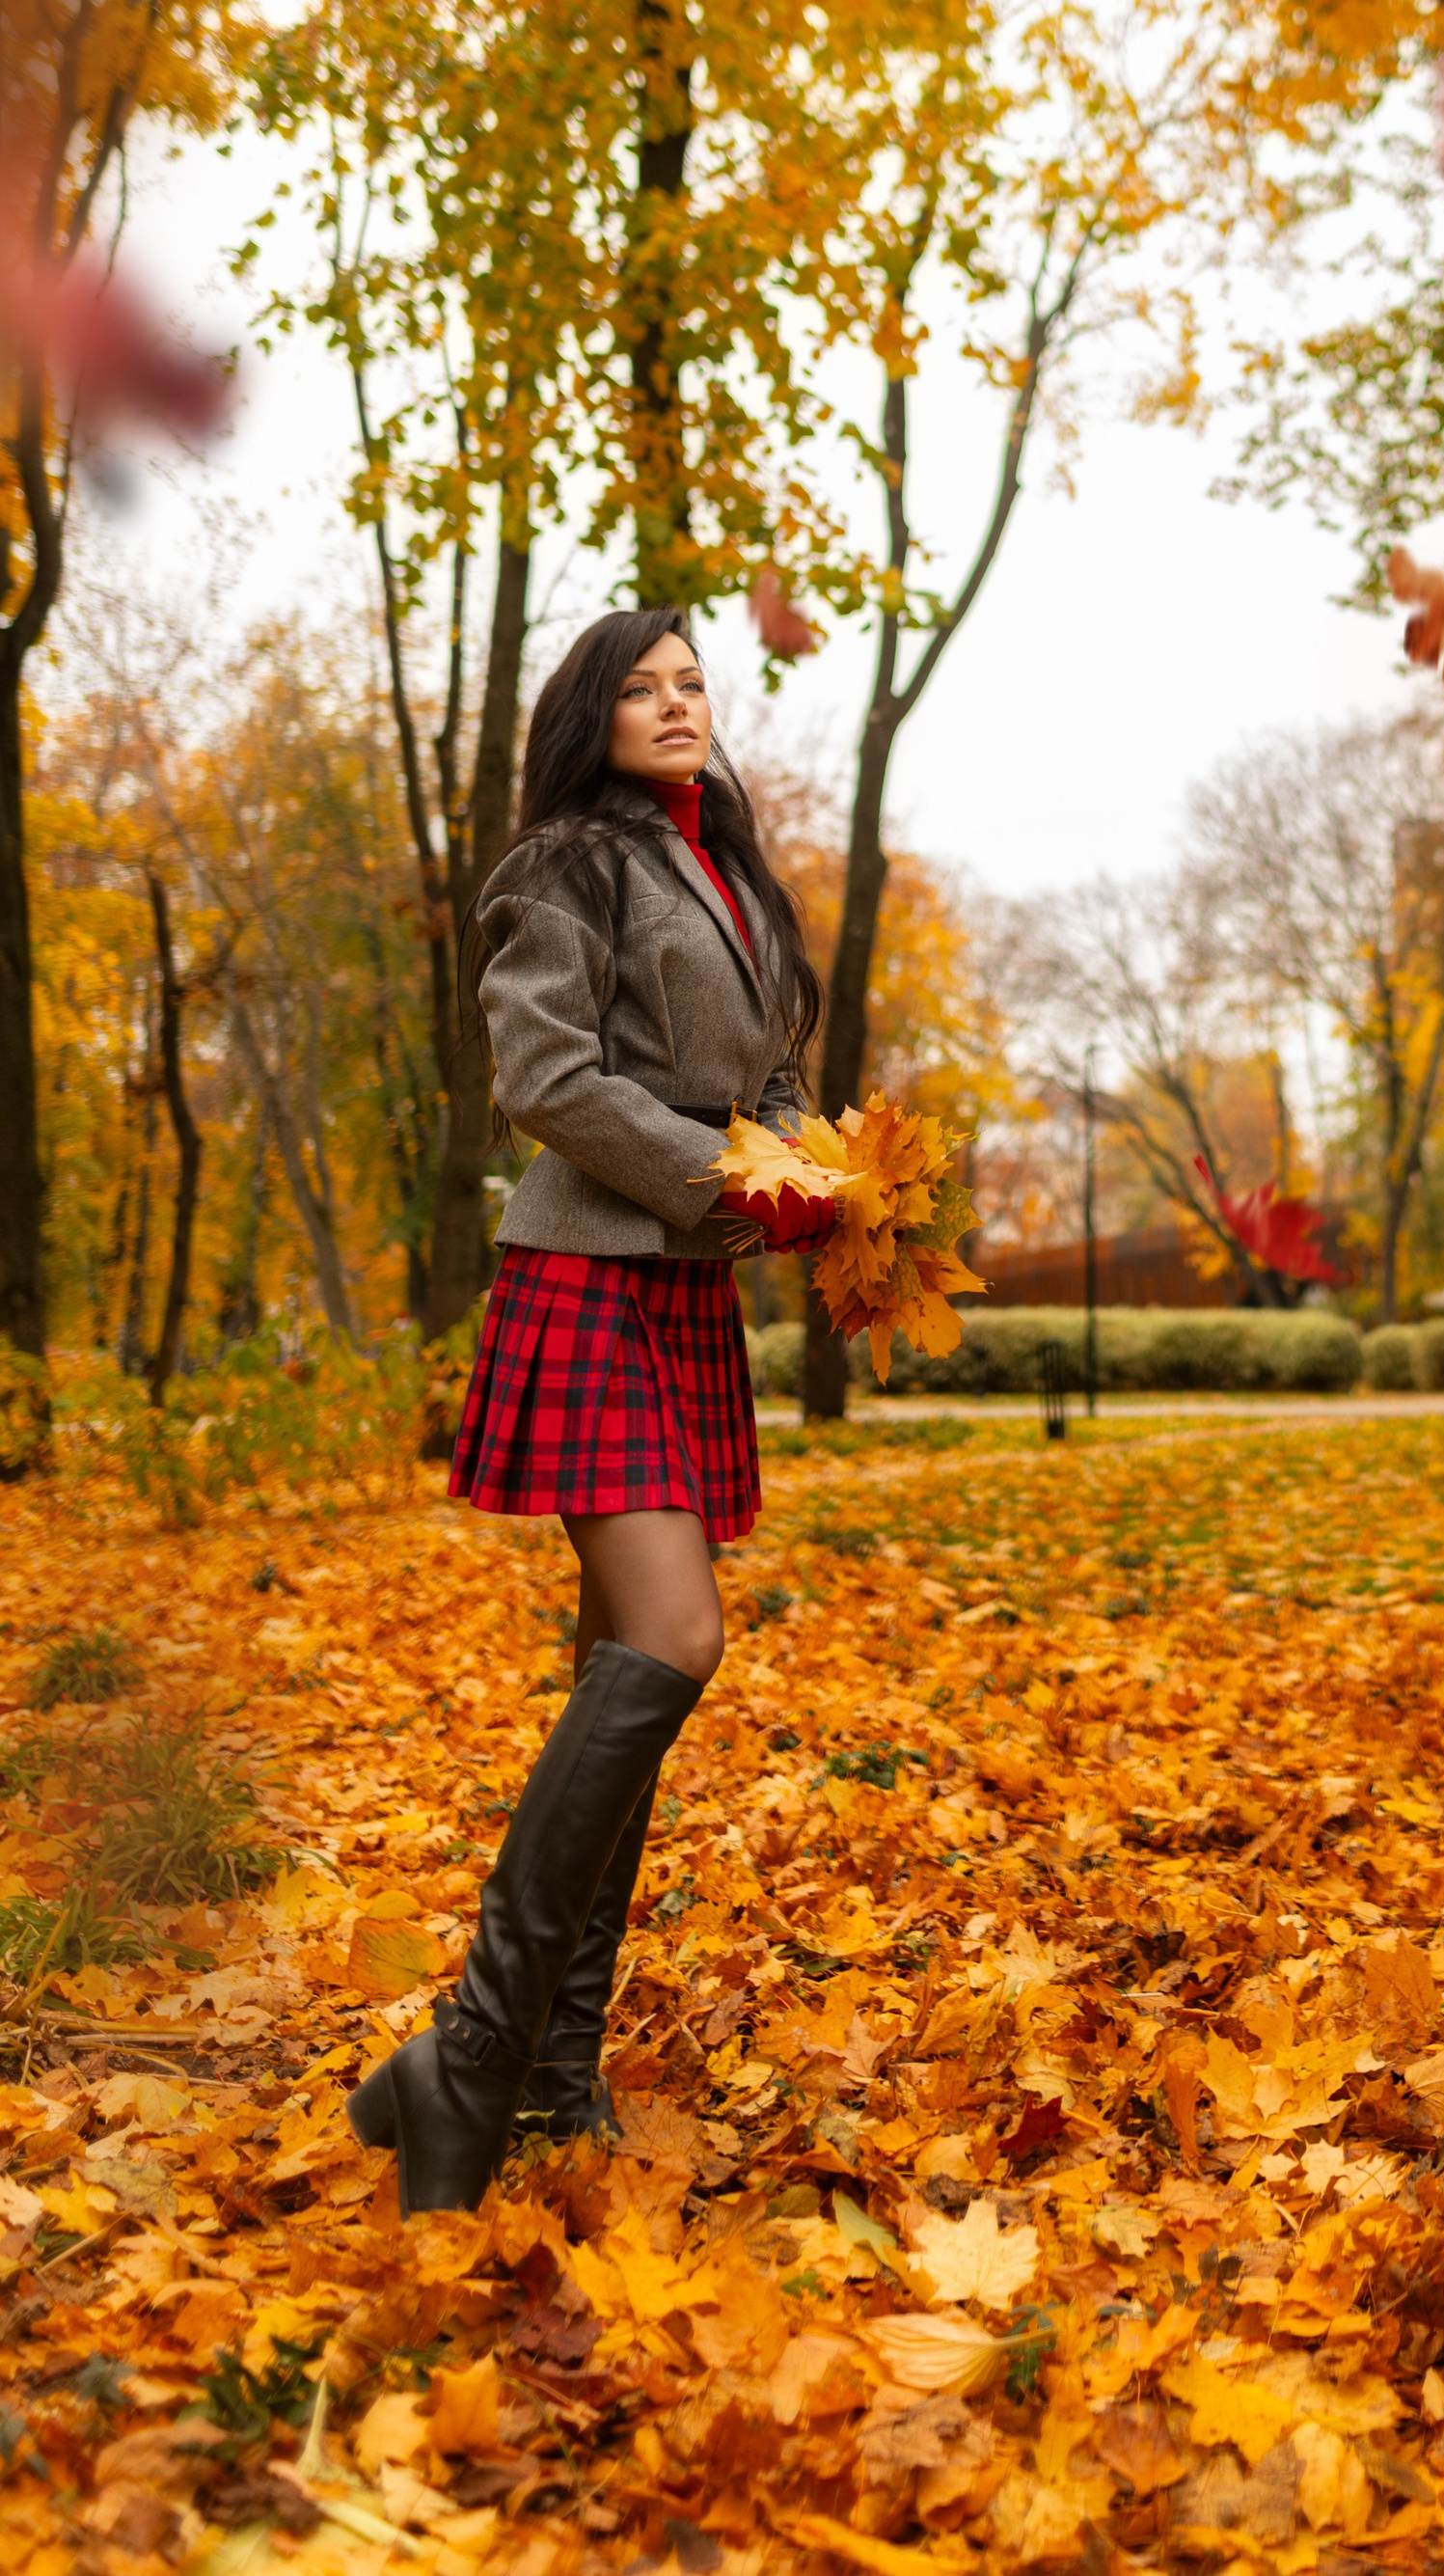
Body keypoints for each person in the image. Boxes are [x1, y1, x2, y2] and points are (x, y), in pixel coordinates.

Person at [347, 608, 835, 2212]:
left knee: (621, 1669)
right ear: (592, 713)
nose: (675, 703)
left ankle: (553, 2077)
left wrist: (810, 1172)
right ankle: (471, 2055)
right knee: (674, 1639)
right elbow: (545, 1076)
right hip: (587, 1276)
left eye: (692, 682)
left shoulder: (739, 876)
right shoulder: (567, 863)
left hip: (687, 1291)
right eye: (640, 686)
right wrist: (723, 1178)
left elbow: (761, 1076)